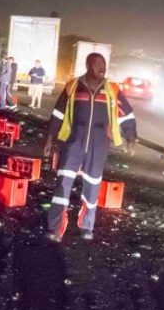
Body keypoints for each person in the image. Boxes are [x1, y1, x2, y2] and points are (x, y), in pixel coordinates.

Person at [43, 52, 137, 242]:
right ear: (88, 66)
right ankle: (55, 228)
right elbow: (58, 114)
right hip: (73, 141)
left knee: (93, 186)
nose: (103, 68)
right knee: (63, 184)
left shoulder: (112, 89)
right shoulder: (73, 87)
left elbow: (126, 114)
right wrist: (49, 139)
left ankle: (87, 226)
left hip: (99, 143)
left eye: (104, 65)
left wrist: (131, 136)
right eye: (98, 65)